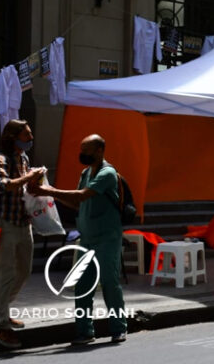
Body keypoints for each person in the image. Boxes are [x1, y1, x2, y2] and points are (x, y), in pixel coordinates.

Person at [31, 134, 128, 345]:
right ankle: (85, 332)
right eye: (81, 150)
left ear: (100, 151)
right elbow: (78, 203)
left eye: (86, 151)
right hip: (87, 238)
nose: (82, 155)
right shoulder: (86, 172)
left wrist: (48, 190)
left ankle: (118, 328)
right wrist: (49, 198)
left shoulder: (107, 173)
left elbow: (82, 195)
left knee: (109, 283)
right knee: (82, 286)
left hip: (107, 237)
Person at [0, 119, 46, 349]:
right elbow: (1, 185)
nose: (30, 139)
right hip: (4, 224)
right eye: (26, 135)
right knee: (7, 272)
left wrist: (35, 183)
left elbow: (23, 187)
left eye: (30, 134)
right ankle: (1, 326)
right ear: (13, 137)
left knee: (23, 271)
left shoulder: (24, 158)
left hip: (23, 222)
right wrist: (26, 178)